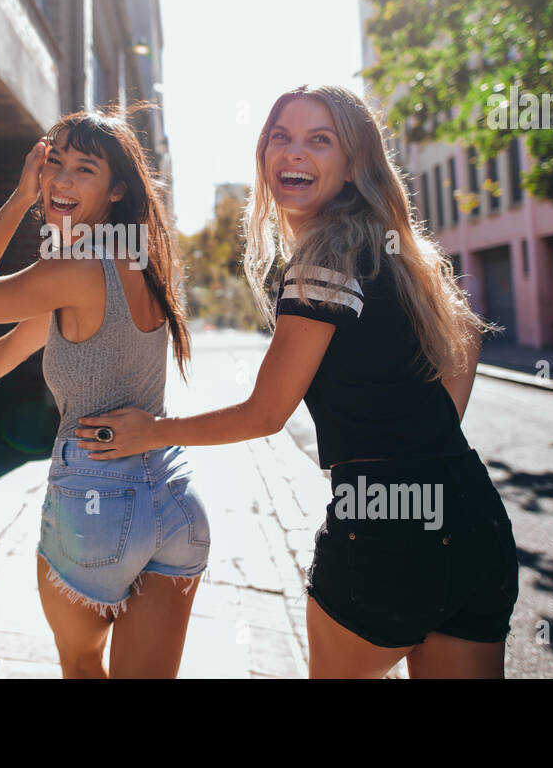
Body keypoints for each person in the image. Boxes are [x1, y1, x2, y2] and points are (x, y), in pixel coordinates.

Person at [76, 85, 518, 678]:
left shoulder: (323, 259)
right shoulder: (400, 251)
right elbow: (465, 338)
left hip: (383, 531)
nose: (293, 153)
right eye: (279, 137)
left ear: (353, 162)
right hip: (470, 517)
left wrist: (148, 433)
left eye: (319, 140)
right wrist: (422, 439)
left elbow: (265, 413)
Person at [0, 107, 203, 678]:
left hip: (99, 499)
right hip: (173, 502)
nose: (61, 181)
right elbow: (15, 345)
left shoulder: (76, 265)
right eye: (55, 165)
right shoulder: (141, 261)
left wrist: (21, 197)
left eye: (84, 169)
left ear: (116, 189)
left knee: (80, 667)